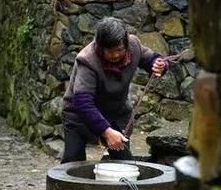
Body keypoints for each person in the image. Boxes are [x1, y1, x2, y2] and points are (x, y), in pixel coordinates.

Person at [61, 17, 169, 163]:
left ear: (125, 43)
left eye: (119, 50)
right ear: (100, 46)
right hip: (79, 115)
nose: (115, 55)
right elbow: (82, 102)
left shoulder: (133, 44)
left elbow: (151, 59)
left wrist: (159, 65)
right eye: (109, 51)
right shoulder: (87, 60)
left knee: (124, 163)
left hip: (116, 113)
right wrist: (106, 131)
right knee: (72, 162)